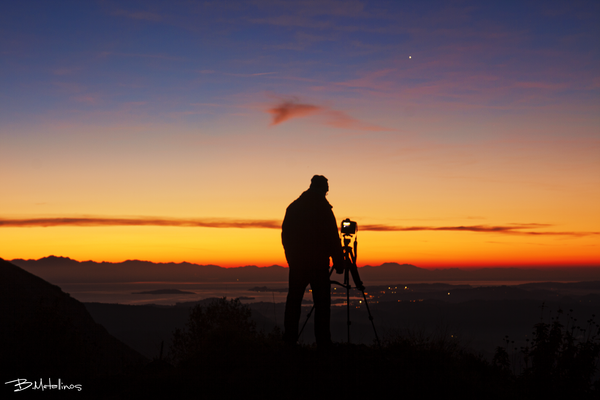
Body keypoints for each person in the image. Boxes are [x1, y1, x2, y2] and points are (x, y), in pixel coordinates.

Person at [281, 175, 344, 347]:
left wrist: (292, 260)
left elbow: (286, 237)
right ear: (324, 189)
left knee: (293, 302)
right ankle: (323, 343)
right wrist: (339, 262)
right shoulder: (324, 209)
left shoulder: (293, 207)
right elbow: (332, 238)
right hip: (318, 265)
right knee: (322, 305)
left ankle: (289, 340)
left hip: (298, 265)